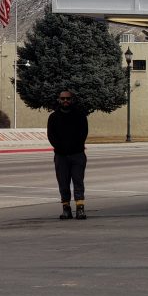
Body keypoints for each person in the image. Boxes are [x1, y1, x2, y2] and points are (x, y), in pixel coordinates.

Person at [47, 89, 89, 220]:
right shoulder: (53, 117)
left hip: (77, 155)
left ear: (72, 100)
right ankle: (66, 209)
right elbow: (51, 135)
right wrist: (60, 147)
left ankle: (80, 209)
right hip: (61, 156)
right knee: (63, 183)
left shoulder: (80, 115)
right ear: (59, 100)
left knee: (78, 181)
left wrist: (74, 147)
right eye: (63, 98)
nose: (65, 101)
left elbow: (83, 134)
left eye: (68, 98)